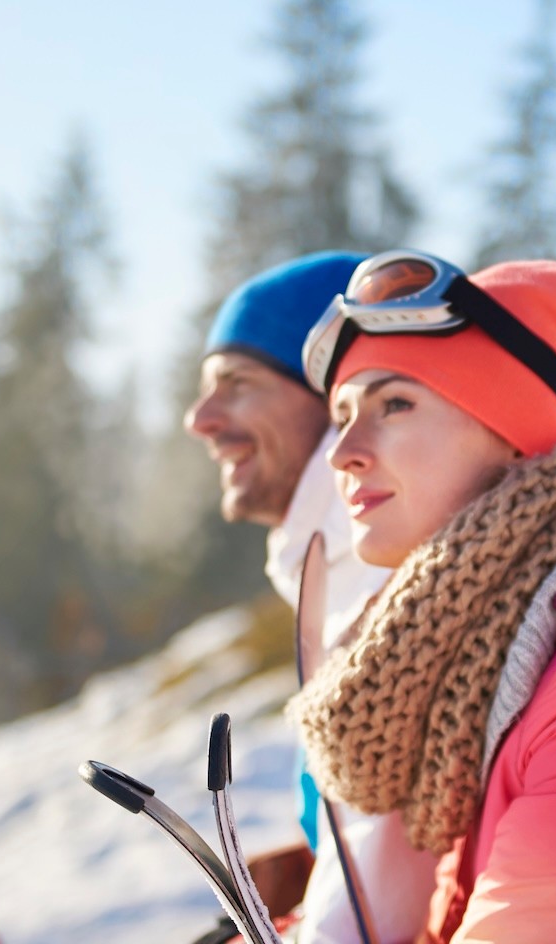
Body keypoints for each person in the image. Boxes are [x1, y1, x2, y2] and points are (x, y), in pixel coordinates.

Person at [286, 252, 556, 944]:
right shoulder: (463, 646)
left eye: (394, 404)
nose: (342, 451)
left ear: (517, 436)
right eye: (342, 415)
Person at [184, 252, 438, 944]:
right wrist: (300, 874)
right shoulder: (334, 583)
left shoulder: (403, 598)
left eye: (237, 384)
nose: (200, 418)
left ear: (336, 400)